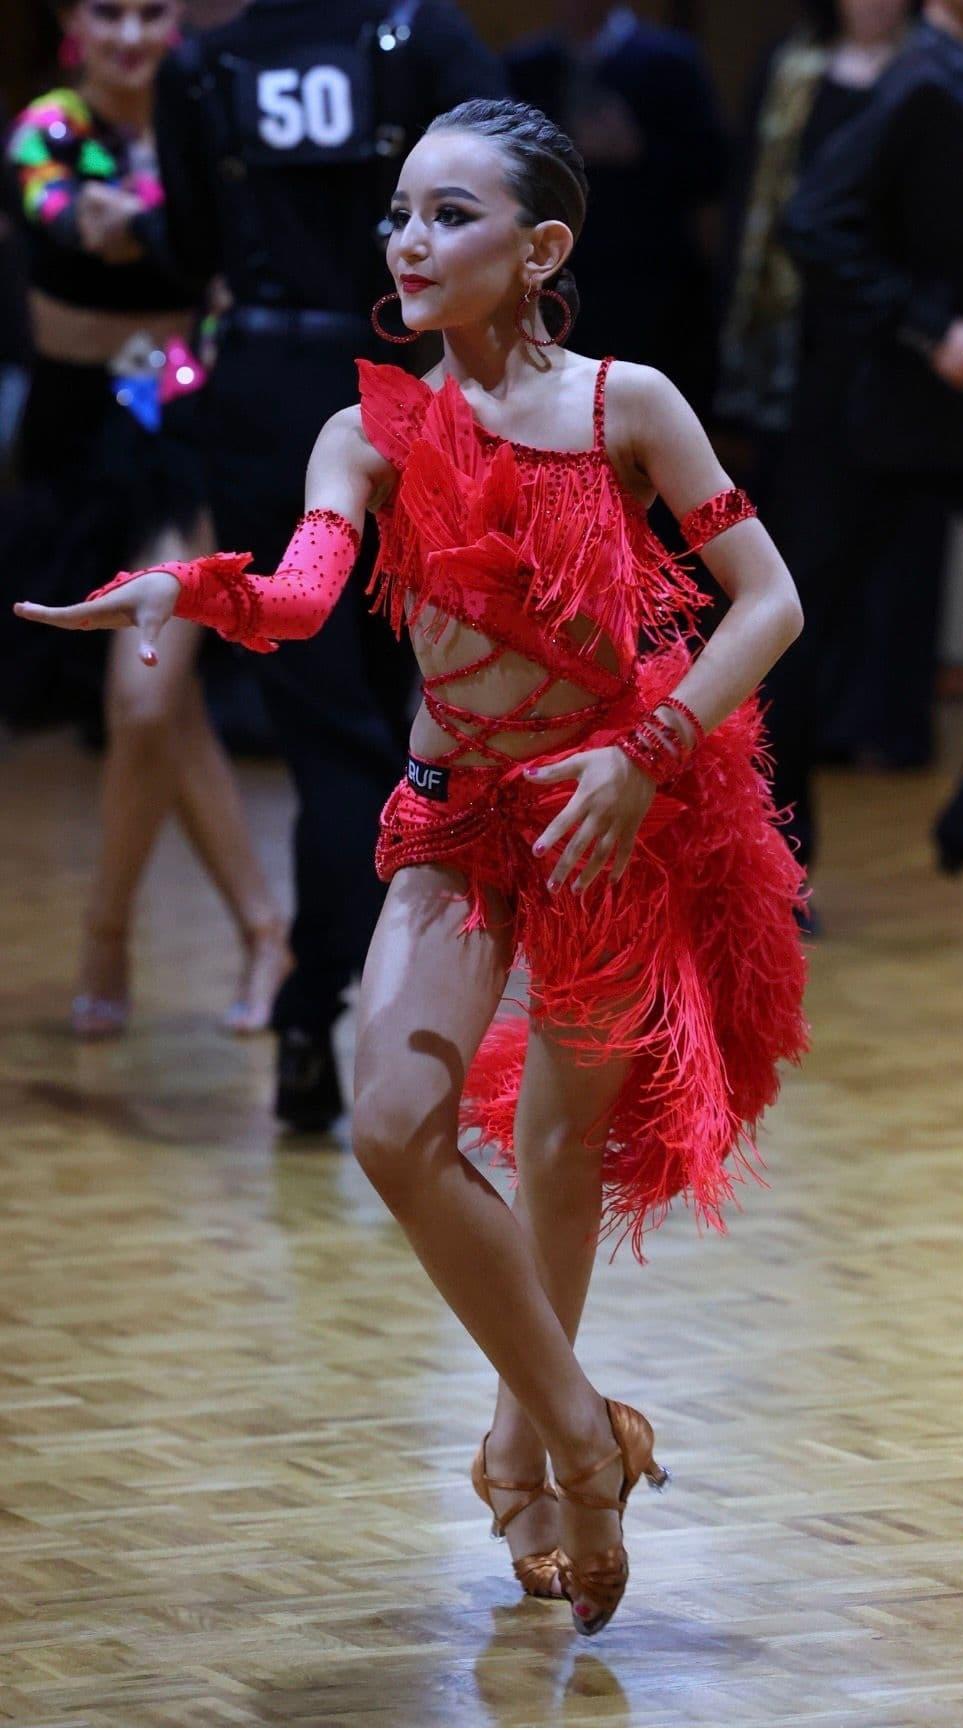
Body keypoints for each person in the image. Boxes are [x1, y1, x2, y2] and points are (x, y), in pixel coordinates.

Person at [16, 98, 807, 1636]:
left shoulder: (625, 407)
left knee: (565, 1156)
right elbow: (307, 594)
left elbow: (766, 600)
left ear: (540, 248)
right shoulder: (366, 428)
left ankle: (529, 1450)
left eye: (451, 215)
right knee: (391, 1122)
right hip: (453, 821)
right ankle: (587, 1429)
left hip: (604, 812)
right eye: (399, 214)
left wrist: (646, 760)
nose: (408, 240)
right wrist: (187, 587)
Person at [148, 0, 507, 1128]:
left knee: (329, 733)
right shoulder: (428, 37)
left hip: (264, 394)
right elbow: (521, 181)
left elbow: (193, 250)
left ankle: (315, 1015)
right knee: (424, 722)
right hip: (415, 395)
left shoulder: (206, 67)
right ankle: (391, 1023)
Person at [4, 0, 286, 1037]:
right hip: (74, 443)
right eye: (108, 11)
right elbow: (72, 223)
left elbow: (226, 266)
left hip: (175, 433)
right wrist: (168, 231)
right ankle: (265, 929)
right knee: (172, 716)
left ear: (180, 22)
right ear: (74, 22)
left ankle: (106, 928)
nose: (130, 34)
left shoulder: (202, 121)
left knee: (143, 697)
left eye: (152, 12)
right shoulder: (49, 127)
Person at [771, 0, 963, 923]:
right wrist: (930, 324)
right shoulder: (917, 81)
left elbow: (948, 232)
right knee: (795, 625)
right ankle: (774, 874)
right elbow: (814, 224)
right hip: (877, 409)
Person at [720, 0, 946, 776]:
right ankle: (789, 799)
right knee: (805, 570)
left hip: (916, 356)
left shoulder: (939, 70)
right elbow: (763, 211)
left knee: (907, 561)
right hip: (809, 356)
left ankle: (890, 727)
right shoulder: (791, 71)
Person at [506, 1, 728, 418]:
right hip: (556, 277)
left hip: (652, 280)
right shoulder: (527, 65)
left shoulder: (669, 60)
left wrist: (637, 150)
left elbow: (712, 169)